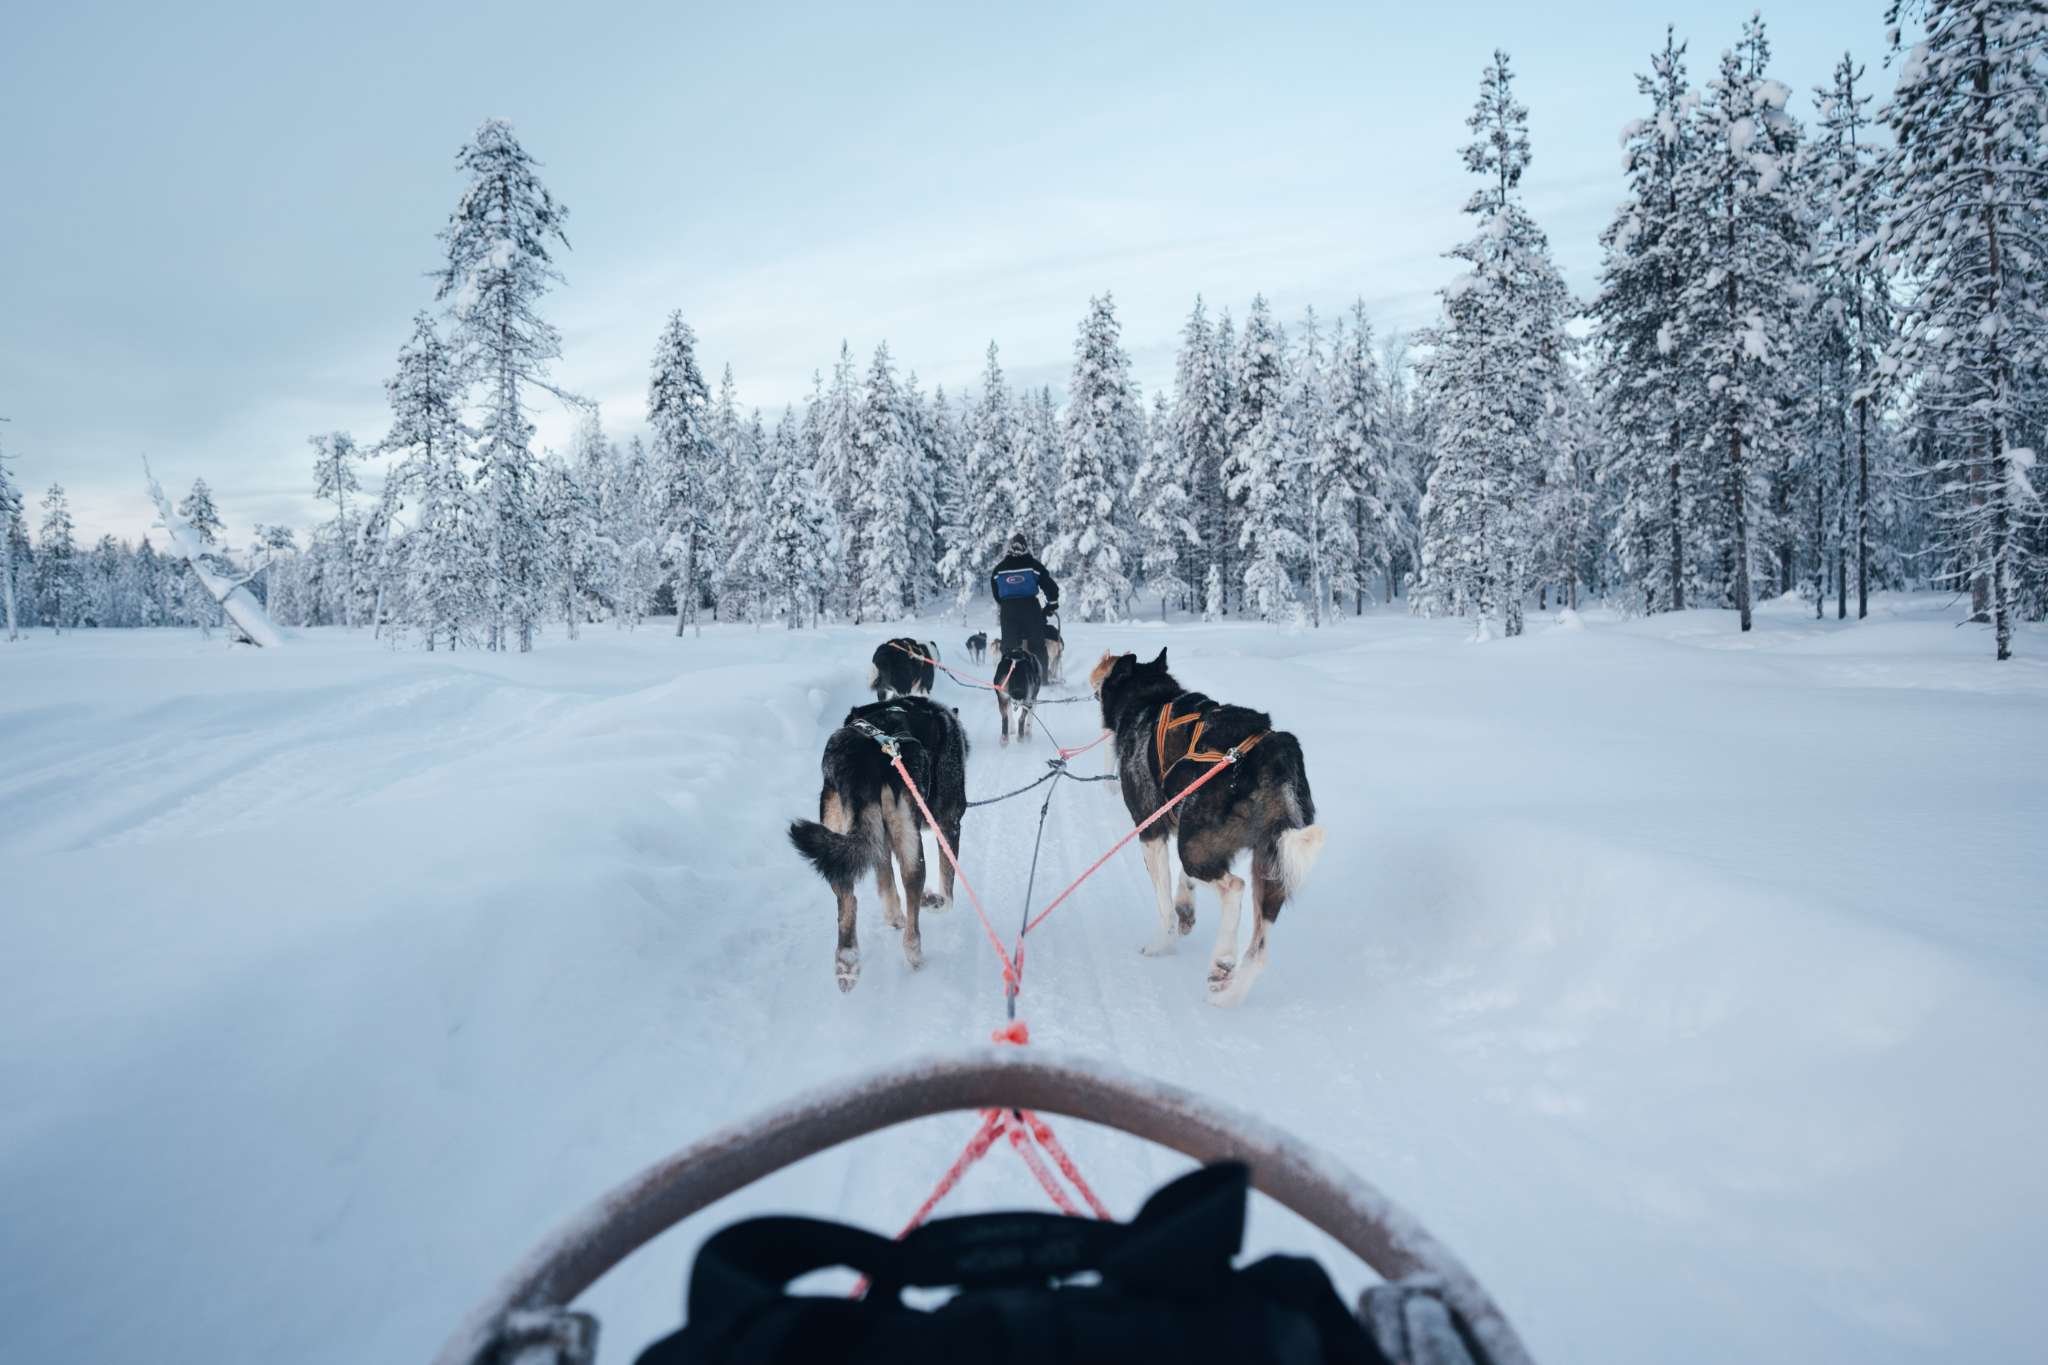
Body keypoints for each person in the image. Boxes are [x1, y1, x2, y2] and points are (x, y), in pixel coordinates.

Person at [988, 532, 1058, 675]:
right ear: (1026, 548)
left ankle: (1008, 680)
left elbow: (997, 594)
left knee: (1009, 648)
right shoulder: (1033, 566)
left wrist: (1007, 604)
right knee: (1037, 646)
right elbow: (1050, 587)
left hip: (1008, 610)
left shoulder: (999, 570)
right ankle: (1042, 678)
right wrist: (1051, 605)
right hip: (1030, 608)